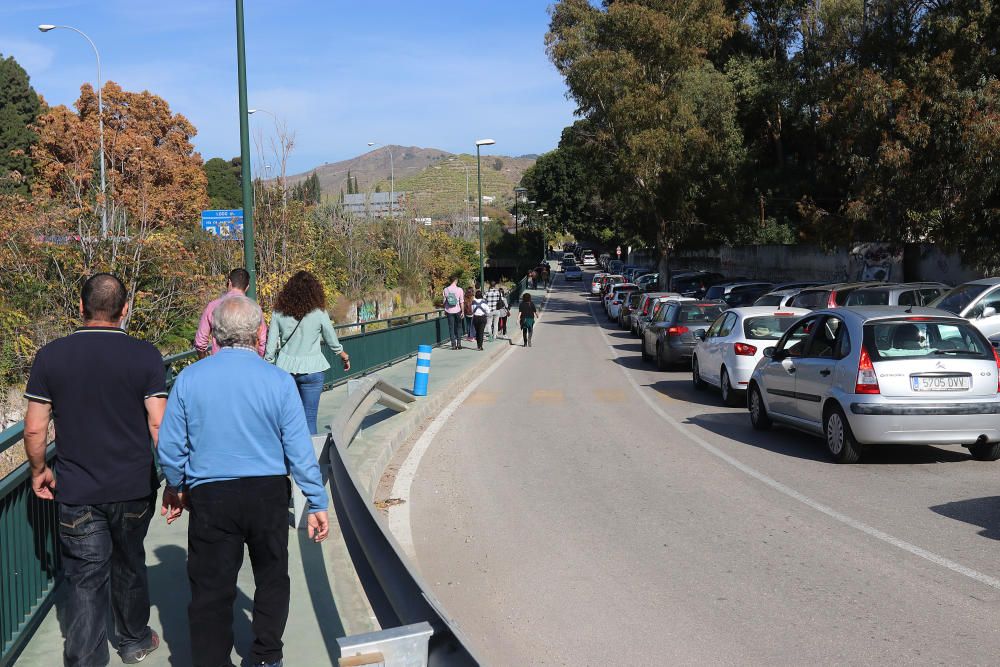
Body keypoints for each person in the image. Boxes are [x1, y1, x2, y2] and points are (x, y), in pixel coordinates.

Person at [158, 296, 330, 667]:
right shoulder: (279, 381)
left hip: (210, 495)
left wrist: (178, 484)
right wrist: (316, 501)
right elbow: (299, 449)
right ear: (259, 333)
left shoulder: (189, 379)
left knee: (210, 587)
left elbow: (171, 446)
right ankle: (267, 656)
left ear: (215, 334)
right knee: (272, 576)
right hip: (267, 492)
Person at [23, 273, 167, 666]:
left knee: (86, 579)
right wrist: (176, 478)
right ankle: (135, 640)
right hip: (134, 486)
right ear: (125, 310)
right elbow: (158, 424)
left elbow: (35, 427)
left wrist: (39, 470)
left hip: (78, 489)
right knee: (130, 562)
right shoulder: (145, 355)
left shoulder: (51, 356)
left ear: (81, 307)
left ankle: (86, 660)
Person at [264, 271, 350, 435]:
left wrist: (268, 365)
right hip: (312, 369)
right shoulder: (319, 313)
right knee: (309, 418)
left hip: (285, 370)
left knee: (288, 419)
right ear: (314, 291)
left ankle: (288, 457)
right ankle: (310, 457)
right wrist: (342, 355)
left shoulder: (278, 313)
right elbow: (330, 337)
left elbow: (270, 346)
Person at [194, 268, 267, 358]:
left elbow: (200, 342)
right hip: (247, 362)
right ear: (247, 287)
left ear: (229, 282)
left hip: (219, 364)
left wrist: (204, 363)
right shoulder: (255, 308)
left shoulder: (213, 306)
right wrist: (257, 359)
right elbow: (261, 340)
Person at [442, 274, 464, 350]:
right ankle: (459, 343)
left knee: (451, 328)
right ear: (455, 281)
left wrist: (445, 309)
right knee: (459, 327)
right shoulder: (460, 289)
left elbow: (444, 302)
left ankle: (453, 345)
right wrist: (463, 312)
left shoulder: (445, 290)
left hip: (449, 311)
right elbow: (461, 302)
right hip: (458, 310)